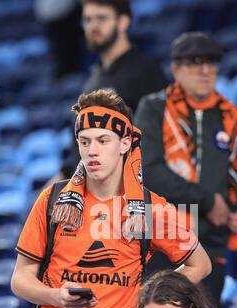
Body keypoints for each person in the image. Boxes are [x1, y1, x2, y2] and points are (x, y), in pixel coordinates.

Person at [11, 89, 211, 308]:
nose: (92, 150)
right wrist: (54, 296)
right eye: (84, 140)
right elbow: (20, 278)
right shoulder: (53, 200)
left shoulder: (148, 209)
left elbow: (200, 263)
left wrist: (151, 299)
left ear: (124, 143)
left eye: (103, 140)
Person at [134, 32, 237, 308]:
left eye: (211, 63)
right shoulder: (154, 108)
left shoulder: (232, 117)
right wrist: (208, 200)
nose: (205, 70)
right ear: (176, 69)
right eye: (195, 63)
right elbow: (149, 171)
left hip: (211, 245)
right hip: (163, 243)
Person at [60, 0, 168, 179]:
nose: (93, 26)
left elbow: (164, 139)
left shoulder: (145, 71)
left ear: (123, 21)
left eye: (101, 18)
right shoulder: (94, 79)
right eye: (87, 20)